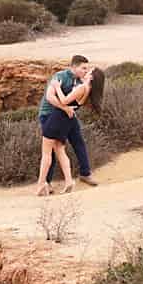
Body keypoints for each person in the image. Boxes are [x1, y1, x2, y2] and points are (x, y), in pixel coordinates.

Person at [36, 59, 104, 195]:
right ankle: (65, 181)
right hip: (61, 115)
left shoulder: (81, 85)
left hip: (58, 117)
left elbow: (63, 100)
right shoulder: (67, 79)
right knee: (60, 150)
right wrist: (66, 108)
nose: (85, 71)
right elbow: (52, 98)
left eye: (87, 70)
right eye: (84, 68)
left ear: (91, 77)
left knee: (49, 152)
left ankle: (42, 184)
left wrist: (57, 90)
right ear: (74, 67)